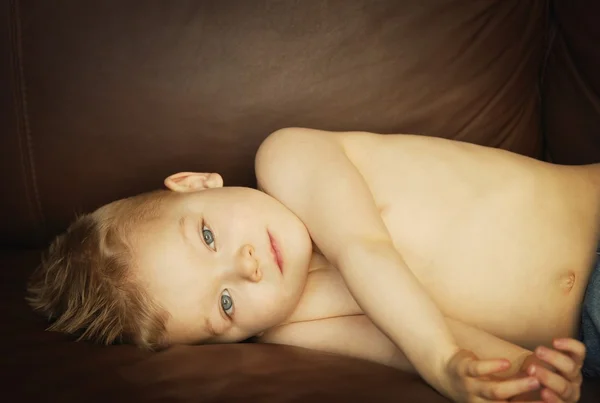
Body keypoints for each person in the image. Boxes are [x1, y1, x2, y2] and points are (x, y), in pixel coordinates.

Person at [27, 127, 600, 403]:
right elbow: (414, 340)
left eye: (206, 235)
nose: (247, 267)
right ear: (231, 341)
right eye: (224, 304)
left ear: (196, 183)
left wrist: (442, 362)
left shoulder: (287, 157)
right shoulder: (295, 323)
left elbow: (364, 250)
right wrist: (530, 378)